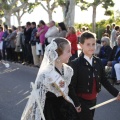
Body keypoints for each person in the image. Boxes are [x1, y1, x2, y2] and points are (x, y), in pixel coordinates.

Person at [21, 37, 79, 120]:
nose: (71, 54)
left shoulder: (68, 70)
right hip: (51, 111)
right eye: (68, 51)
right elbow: (38, 96)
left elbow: (70, 87)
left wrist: (76, 103)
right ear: (58, 53)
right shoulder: (45, 74)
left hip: (66, 108)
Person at [69, 31, 120, 120]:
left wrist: (117, 93)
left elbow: (104, 80)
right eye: (88, 44)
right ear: (81, 45)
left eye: (93, 44)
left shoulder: (98, 61)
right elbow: (71, 86)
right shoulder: (75, 63)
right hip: (81, 101)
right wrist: (76, 103)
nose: (91, 47)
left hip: (93, 100)